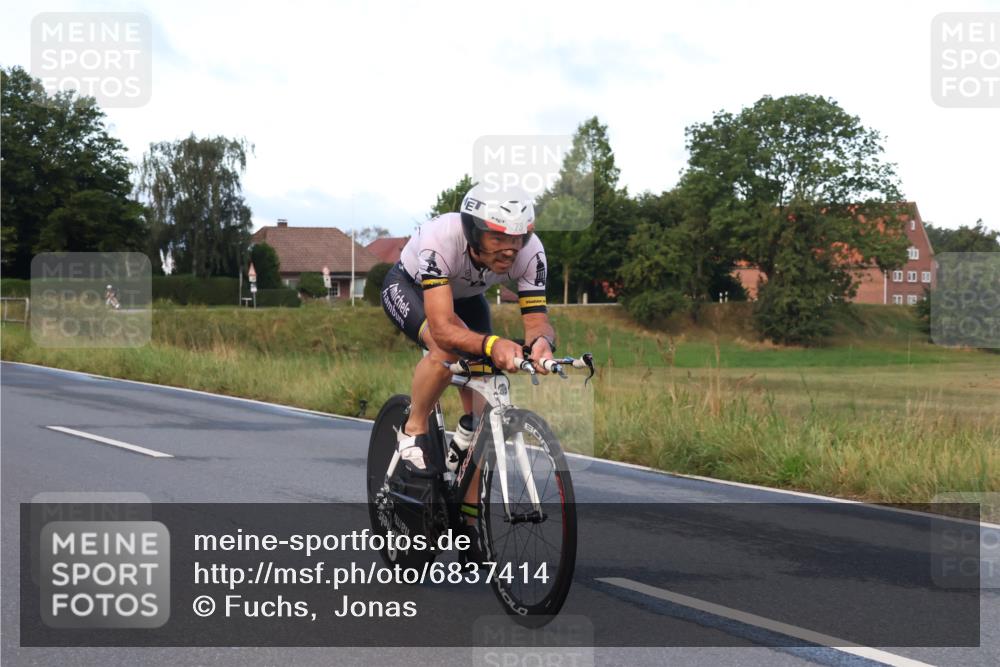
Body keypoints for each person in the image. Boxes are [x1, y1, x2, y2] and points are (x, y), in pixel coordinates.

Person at [381, 184, 557, 528]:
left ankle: (469, 520)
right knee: (445, 347)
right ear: (473, 231)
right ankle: (412, 427)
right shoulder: (441, 237)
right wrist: (493, 345)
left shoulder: (531, 252)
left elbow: (537, 322)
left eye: (518, 238)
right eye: (498, 238)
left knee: (482, 421)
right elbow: (444, 328)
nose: (510, 249)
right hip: (411, 288)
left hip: (467, 300)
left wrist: (541, 344)